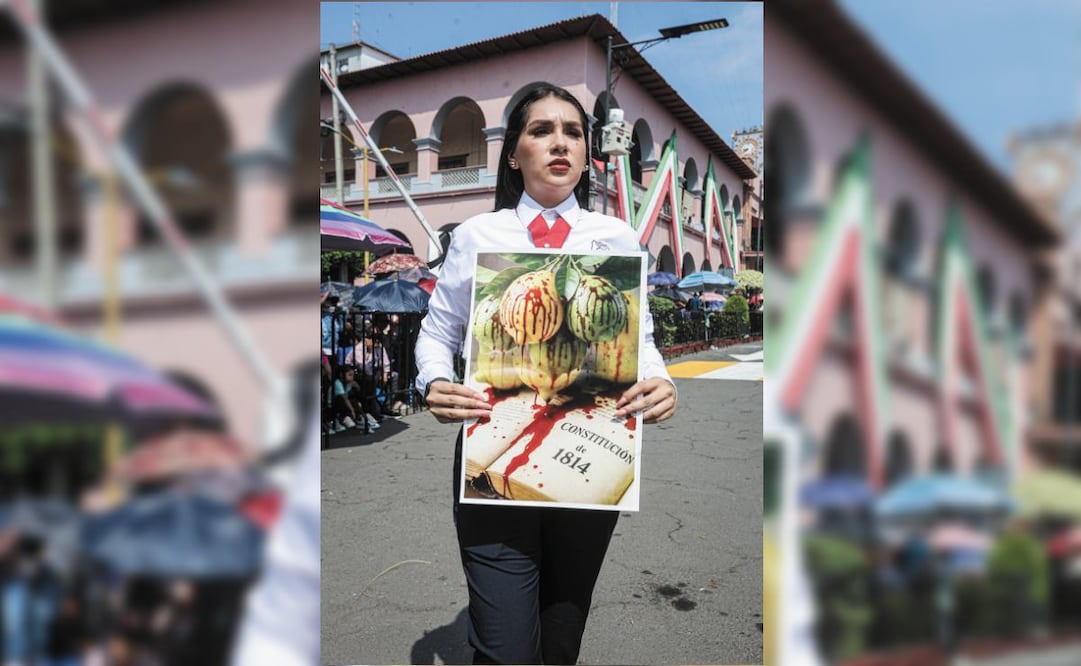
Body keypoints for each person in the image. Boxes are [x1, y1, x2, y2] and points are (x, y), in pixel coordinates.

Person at [414, 82, 676, 665]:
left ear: (587, 153)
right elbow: (436, 333)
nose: (560, 143)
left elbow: (644, 342)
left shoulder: (614, 238)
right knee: (505, 647)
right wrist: (432, 383)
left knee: (560, 639)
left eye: (573, 132)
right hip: (492, 453)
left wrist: (661, 382)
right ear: (513, 153)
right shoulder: (478, 237)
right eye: (541, 130)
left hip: (590, 457)